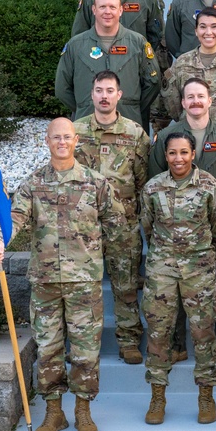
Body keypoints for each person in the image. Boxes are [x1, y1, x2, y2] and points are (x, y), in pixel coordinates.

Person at [0, 117, 125, 431]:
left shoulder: (95, 183)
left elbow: (117, 222)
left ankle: (83, 411)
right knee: (48, 348)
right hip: (46, 282)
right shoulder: (33, 184)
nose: (62, 142)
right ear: (46, 141)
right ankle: (54, 412)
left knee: (85, 349)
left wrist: (97, 251)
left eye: (67, 137)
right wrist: (0, 242)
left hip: (83, 282)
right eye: (56, 137)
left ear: (76, 140)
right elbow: (14, 219)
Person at [149, 78, 216, 367]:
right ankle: (177, 345)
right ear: (182, 103)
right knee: (176, 286)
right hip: (174, 225)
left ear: (210, 100)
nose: (195, 101)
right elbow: (155, 178)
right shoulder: (168, 136)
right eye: (189, 97)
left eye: (200, 96)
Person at [140, 131, 216, 425]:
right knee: (158, 333)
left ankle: (206, 396)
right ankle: (157, 396)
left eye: (184, 152)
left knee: (203, 333)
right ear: (165, 156)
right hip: (162, 270)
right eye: (172, 153)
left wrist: (203, 256)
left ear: (194, 154)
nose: (178, 158)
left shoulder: (209, 186)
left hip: (199, 269)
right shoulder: (153, 188)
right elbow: (147, 226)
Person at [73, 71, 151, 365]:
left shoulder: (134, 134)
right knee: (83, 287)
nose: (104, 96)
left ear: (120, 95)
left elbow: (143, 181)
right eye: (98, 90)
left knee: (126, 285)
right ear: (91, 94)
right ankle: (82, 344)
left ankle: (129, 341)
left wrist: (139, 219)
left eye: (109, 90)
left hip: (123, 225)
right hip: (84, 227)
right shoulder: (75, 132)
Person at [55, 0, 161, 130]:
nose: (107, 12)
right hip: (87, 126)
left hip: (128, 124)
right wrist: (86, 105)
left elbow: (153, 82)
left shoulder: (137, 43)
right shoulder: (76, 45)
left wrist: (130, 106)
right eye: (102, 7)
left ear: (120, 10)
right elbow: (62, 88)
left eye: (112, 7)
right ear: (94, 10)